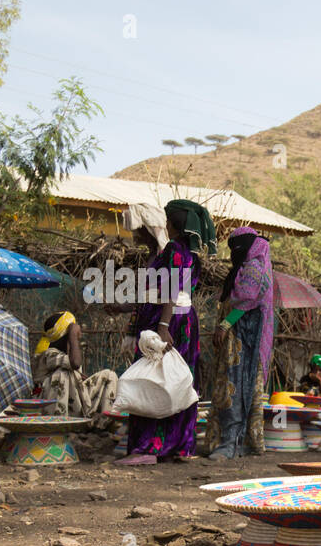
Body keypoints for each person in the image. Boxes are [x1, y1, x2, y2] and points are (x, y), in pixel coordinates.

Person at [116, 198, 213, 465]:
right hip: (182, 321)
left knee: (156, 380)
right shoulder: (186, 254)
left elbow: (170, 290)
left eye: (168, 221)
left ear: (172, 224)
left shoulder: (173, 250)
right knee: (177, 380)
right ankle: (179, 446)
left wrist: (163, 326)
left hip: (170, 322)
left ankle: (149, 447)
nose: (165, 225)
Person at [207, 226, 274, 459]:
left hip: (245, 340)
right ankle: (236, 441)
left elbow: (247, 298)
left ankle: (231, 442)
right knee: (234, 386)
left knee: (236, 386)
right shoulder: (248, 266)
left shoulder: (254, 267)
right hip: (238, 339)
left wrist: (226, 324)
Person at [32, 311, 119, 423]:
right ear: (65, 335)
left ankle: (104, 424)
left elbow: (75, 368)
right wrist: (73, 336)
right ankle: (59, 423)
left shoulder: (68, 354)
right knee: (62, 374)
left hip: (76, 404)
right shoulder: (48, 354)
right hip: (49, 407)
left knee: (109, 375)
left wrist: (78, 378)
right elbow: (75, 363)